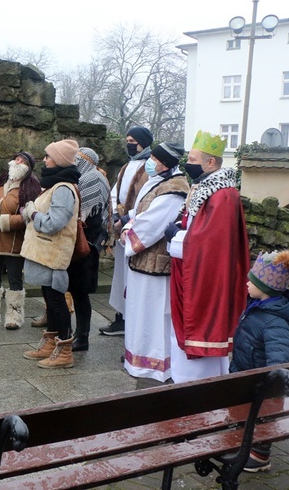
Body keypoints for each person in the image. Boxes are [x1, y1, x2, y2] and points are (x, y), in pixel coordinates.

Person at [166, 130, 249, 383]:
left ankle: (199, 386)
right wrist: (181, 228)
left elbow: (211, 242)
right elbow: (195, 225)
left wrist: (177, 237)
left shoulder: (224, 194)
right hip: (188, 268)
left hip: (207, 276)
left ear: (210, 162)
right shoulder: (204, 187)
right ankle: (183, 380)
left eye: (192, 159)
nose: (187, 164)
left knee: (202, 325)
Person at [119, 143, 189, 381]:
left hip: (156, 264)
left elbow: (151, 224)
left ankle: (153, 365)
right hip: (143, 263)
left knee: (154, 315)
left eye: (153, 158)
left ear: (164, 163)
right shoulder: (160, 182)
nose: (150, 161)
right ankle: (136, 359)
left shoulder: (174, 189)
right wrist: (130, 224)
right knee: (140, 312)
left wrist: (127, 233)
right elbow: (139, 215)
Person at [229, 250, 289, 472]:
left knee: (262, 413)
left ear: (266, 288)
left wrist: (273, 385)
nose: (246, 283)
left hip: (261, 383)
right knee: (246, 412)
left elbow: (280, 359)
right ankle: (245, 443)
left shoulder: (275, 322)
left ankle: (260, 455)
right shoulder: (258, 305)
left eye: (251, 281)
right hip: (246, 371)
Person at [20, 139, 81, 369]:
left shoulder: (64, 189)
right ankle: (50, 342)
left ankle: (64, 351)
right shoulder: (55, 185)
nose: (44, 160)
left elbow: (54, 223)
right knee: (50, 299)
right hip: (45, 252)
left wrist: (33, 213)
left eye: (48, 156)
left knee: (57, 302)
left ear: (59, 160)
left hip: (53, 253)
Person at [0, 151, 41, 329]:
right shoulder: (1, 182)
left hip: (14, 242)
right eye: (16, 159)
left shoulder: (31, 187)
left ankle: (14, 314)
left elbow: (28, 217)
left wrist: (2, 221)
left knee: (14, 278)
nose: (17, 162)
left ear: (28, 168)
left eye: (23, 161)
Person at [102, 126, 153, 336]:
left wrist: (125, 218)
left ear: (142, 142)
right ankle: (121, 316)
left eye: (132, 140)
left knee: (132, 278)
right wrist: (114, 216)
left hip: (134, 227)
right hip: (120, 228)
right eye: (127, 140)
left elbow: (146, 199)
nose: (129, 144)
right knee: (120, 278)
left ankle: (131, 320)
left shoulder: (149, 168)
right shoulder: (126, 166)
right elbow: (115, 193)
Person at [66, 147, 110, 351]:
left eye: (78, 159)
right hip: (86, 244)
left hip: (87, 245)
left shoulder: (91, 178)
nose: (75, 163)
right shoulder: (88, 176)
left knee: (80, 292)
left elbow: (85, 215)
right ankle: (78, 335)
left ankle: (82, 337)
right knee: (77, 291)